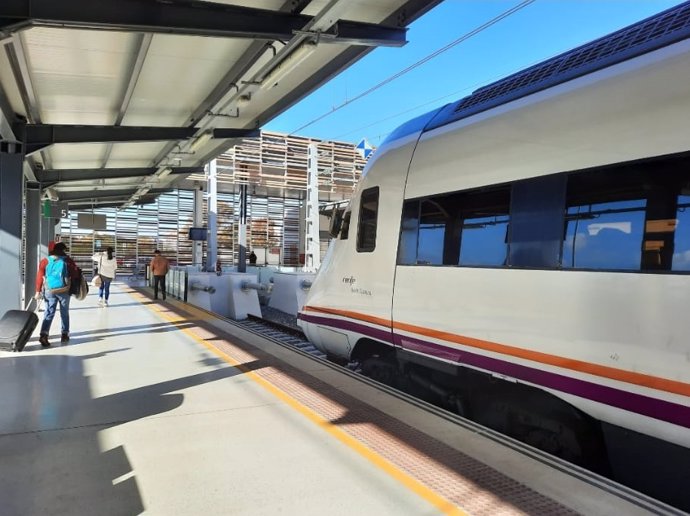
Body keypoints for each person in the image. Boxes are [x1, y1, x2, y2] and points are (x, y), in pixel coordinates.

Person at [35, 242, 79, 347]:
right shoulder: (67, 261)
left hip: (49, 290)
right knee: (64, 312)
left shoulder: (45, 261)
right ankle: (64, 334)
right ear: (63, 250)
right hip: (64, 290)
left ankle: (44, 335)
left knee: (49, 312)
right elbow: (75, 274)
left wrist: (38, 291)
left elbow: (39, 276)